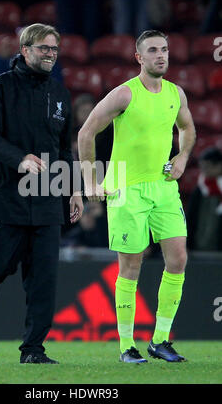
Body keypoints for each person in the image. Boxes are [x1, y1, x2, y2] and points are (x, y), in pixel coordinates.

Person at [0, 23, 83, 364]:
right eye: (44, 48)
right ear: (25, 50)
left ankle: (33, 350)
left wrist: (75, 191)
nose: (51, 54)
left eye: (55, 49)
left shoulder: (59, 94)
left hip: (48, 197)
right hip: (6, 196)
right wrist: (20, 158)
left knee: (43, 281)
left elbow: (64, 149)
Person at [78, 30, 196, 363]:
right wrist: (90, 179)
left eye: (165, 50)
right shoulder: (124, 95)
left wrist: (183, 157)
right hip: (127, 190)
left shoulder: (176, 94)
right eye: (153, 51)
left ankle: (160, 340)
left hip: (163, 188)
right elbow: (86, 131)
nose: (162, 55)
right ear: (139, 58)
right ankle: (126, 346)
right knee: (131, 265)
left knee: (178, 259)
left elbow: (187, 128)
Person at [187, 147, 222, 251]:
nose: (204, 171)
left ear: (219, 165)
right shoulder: (200, 189)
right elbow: (191, 217)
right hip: (199, 245)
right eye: (202, 167)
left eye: (208, 167)